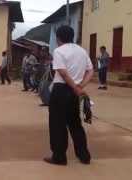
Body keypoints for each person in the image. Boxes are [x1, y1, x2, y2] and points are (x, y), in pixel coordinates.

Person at [44, 25, 94, 166]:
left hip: (61, 90)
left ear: (58, 38)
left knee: (57, 124)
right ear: (72, 36)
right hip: (74, 92)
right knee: (75, 124)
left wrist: (75, 87)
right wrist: (80, 87)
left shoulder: (59, 51)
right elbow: (90, 71)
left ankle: (59, 157)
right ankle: (84, 156)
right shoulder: (82, 51)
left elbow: (63, 73)